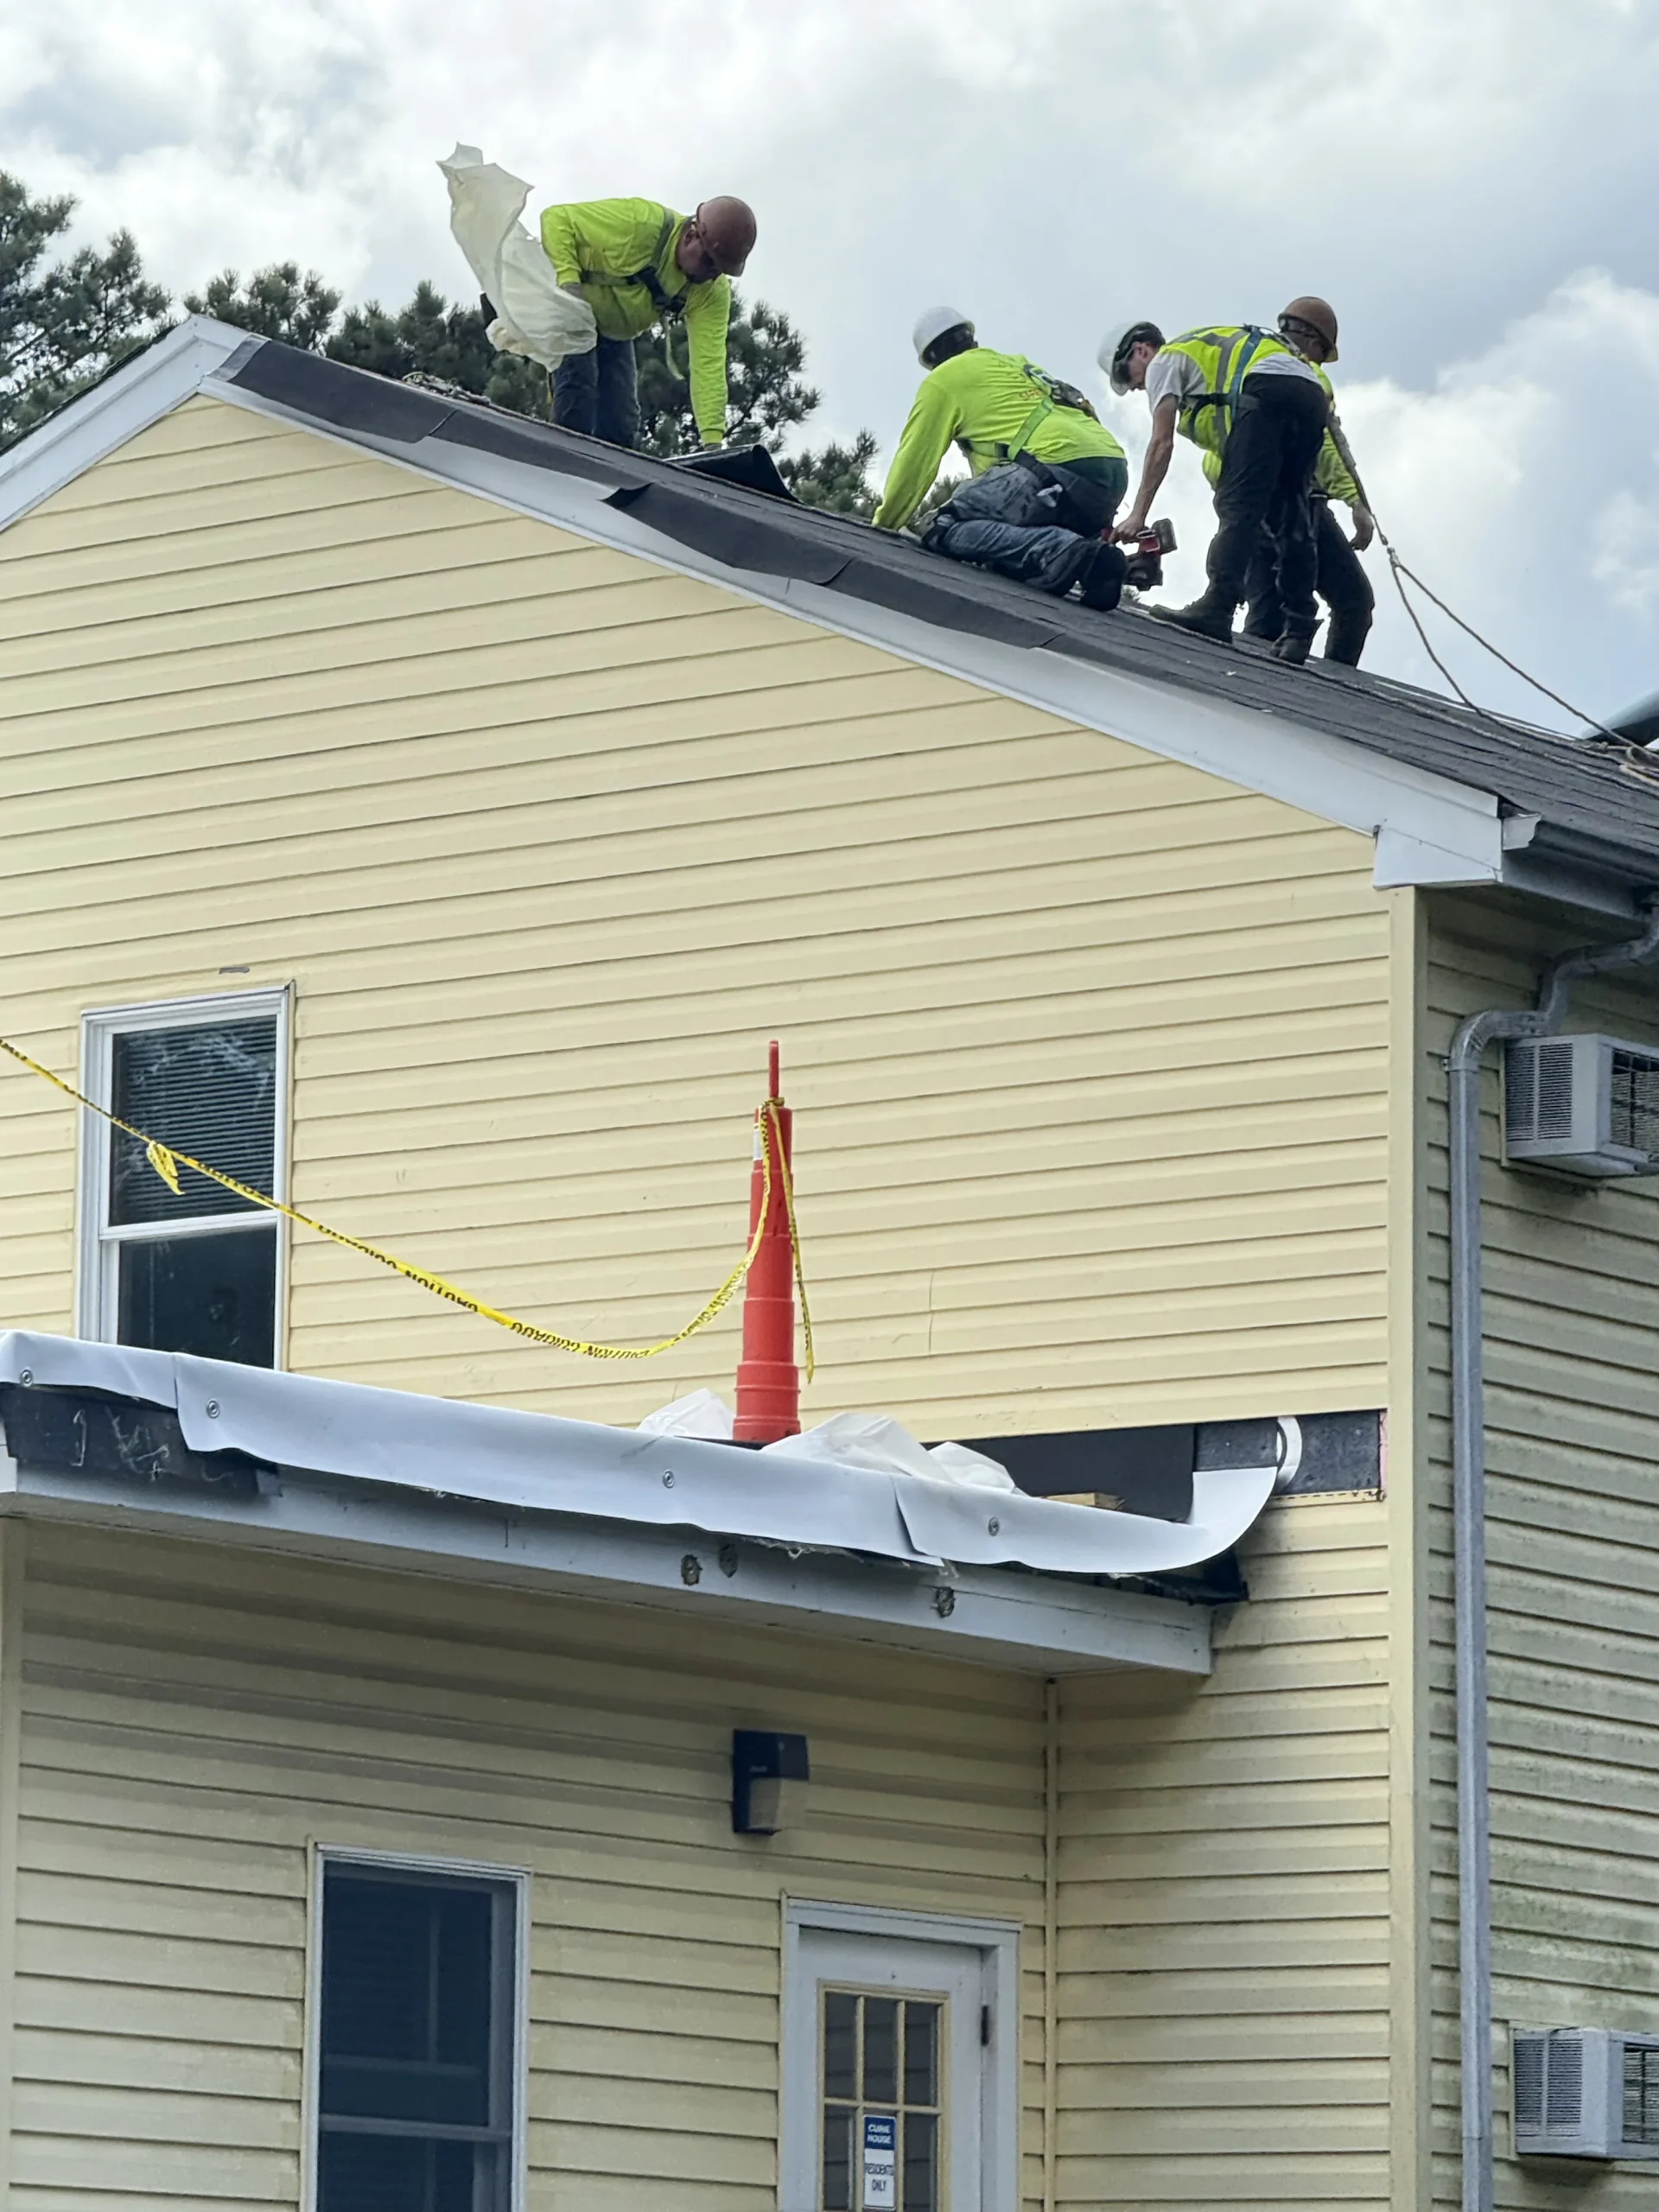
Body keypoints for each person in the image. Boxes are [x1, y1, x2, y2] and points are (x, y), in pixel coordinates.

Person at [1103, 311, 1332, 662]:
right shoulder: (1201, 355)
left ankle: (1218, 607)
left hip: (1267, 390)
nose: (1134, 387)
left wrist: (1137, 515)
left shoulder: (1165, 361)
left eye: (1126, 375)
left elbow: (1161, 443)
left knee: (1237, 506)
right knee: (1291, 515)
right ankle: (1299, 629)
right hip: (1310, 395)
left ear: (1141, 350)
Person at [874, 308, 1128, 610]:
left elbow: (916, 460)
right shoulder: (1016, 365)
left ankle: (1068, 551)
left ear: (932, 359)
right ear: (971, 339)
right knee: (1002, 559)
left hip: (1053, 465)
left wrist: (885, 525)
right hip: (1110, 471)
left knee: (941, 526)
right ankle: (1096, 567)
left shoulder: (944, 380)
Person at [1201, 301, 1377, 664]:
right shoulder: (1303, 374)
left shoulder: (1249, 362)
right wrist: (1356, 501)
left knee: (1268, 615)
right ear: (1312, 340)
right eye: (1322, 353)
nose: (1319, 361)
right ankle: (1327, 688)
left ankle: (1245, 681)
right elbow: (1327, 445)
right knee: (1353, 601)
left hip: (1248, 498)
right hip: (1290, 500)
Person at [538, 195, 757, 451]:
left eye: (720, 270)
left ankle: (602, 476)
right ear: (691, 236)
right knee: (577, 399)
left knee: (621, 426)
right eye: (709, 262)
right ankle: (558, 466)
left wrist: (712, 442)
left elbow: (708, 364)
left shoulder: (711, 292)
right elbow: (556, 219)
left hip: (615, 330)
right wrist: (569, 285)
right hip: (572, 309)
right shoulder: (639, 225)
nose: (712, 276)